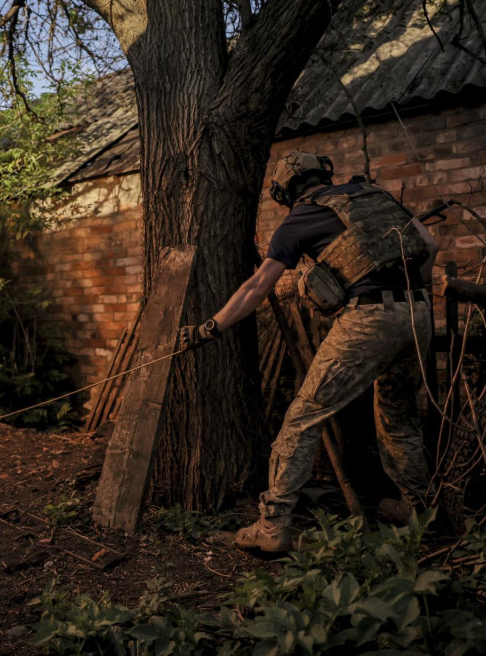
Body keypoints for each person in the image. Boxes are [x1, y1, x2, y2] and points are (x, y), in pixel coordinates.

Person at [179, 151, 439, 553]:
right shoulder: (375, 196)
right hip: (419, 313)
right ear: (325, 175)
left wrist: (211, 326)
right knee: (399, 414)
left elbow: (256, 288)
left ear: (286, 192)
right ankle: (420, 510)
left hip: (369, 319)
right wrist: (409, 295)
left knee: (303, 418)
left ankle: (272, 524)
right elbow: (430, 244)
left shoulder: (297, 221)